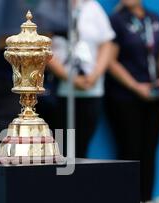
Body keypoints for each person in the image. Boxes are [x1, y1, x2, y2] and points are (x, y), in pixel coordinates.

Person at [105, 0, 159, 203]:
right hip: (126, 97)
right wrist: (135, 86)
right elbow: (111, 60)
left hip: (155, 97)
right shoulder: (117, 20)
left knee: (149, 149)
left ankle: (147, 201)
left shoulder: (153, 19)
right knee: (130, 150)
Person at [47, 0, 115, 158]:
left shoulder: (93, 7)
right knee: (60, 150)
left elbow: (107, 43)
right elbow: (43, 46)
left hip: (91, 90)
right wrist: (68, 77)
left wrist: (95, 74)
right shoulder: (52, 7)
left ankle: (79, 182)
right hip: (60, 92)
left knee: (81, 150)